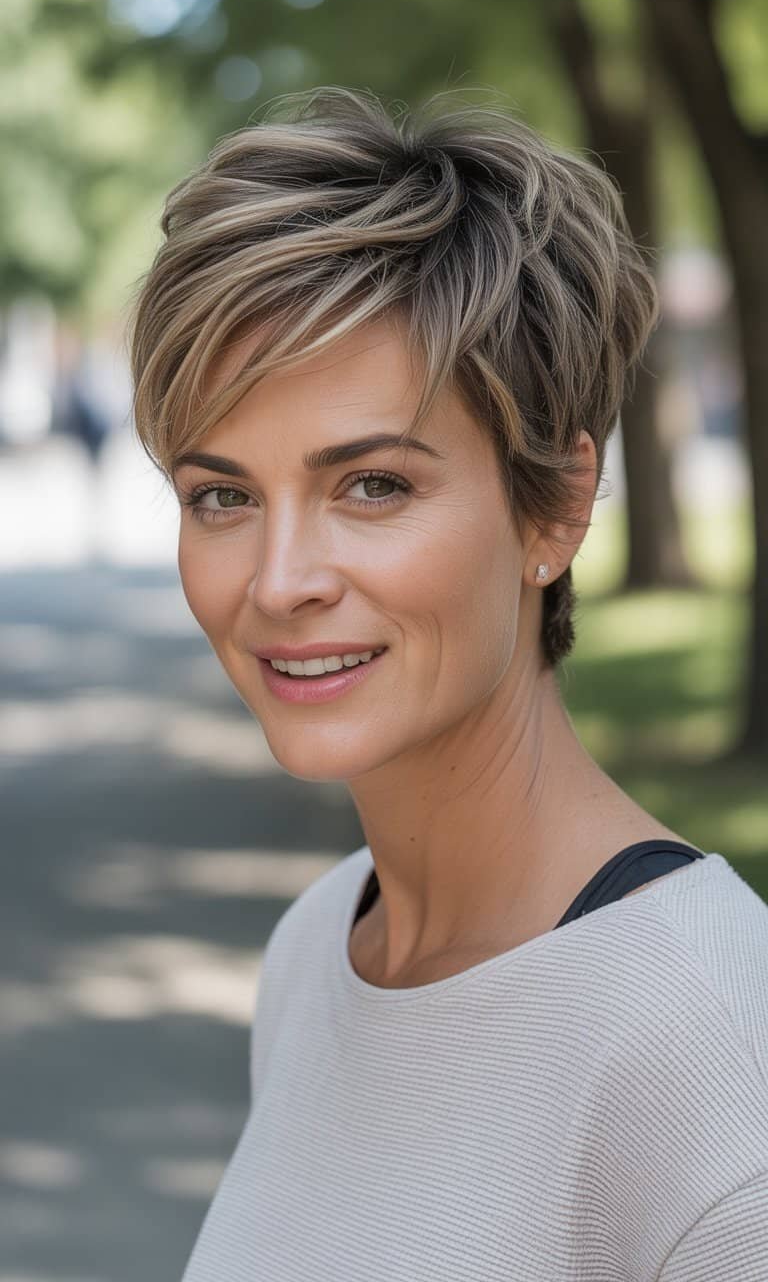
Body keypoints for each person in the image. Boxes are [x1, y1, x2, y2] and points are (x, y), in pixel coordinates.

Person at [129, 87, 768, 1280]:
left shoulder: (718, 1069)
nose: (280, 581)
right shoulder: (319, 947)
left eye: (372, 485)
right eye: (224, 495)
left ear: (558, 507)